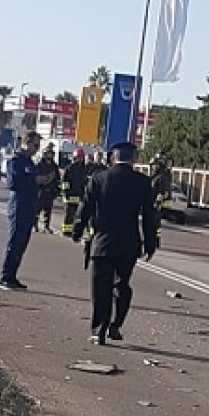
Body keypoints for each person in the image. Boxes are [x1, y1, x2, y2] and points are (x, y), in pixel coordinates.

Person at [71, 142, 158, 345]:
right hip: (129, 244)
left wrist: (77, 230)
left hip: (102, 243)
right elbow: (149, 216)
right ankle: (115, 325)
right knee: (122, 285)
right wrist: (150, 243)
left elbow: (85, 207)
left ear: (112, 158)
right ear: (133, 159)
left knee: (101, 287)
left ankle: (98, 330)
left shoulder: (99, 178)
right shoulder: (143, 183)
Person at [0, 132, 42, 291]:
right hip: (18, 206)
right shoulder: (16, 162)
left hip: (29, 206)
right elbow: (13, 183)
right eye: (35, 145)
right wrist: (33, 180)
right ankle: (4, 276)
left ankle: (12, 275)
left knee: (23, 242)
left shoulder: (30, 163)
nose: (37, 149)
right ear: (26, 143)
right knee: (15, 241)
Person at [60, 148, 90, 237]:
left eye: (81, 157)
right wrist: (65, 193)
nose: (80, 159)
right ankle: (66, 231)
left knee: (78, 214)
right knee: (69, 214)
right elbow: (64, 182)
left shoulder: (84, 169)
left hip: (80, 195)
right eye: (78, 157)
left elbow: (85, 181)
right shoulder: (70, 168)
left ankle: (73, 230)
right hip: (70, 195)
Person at [35, 147, 61, 233]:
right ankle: (35, 225)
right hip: (41, 190)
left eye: (51, 154)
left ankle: (46, 226)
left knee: (48, 210)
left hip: (50, 191)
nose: (49, 155)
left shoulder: (54, 166)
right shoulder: (40, 165)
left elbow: (57, 178)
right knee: (37, 209)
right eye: (48, 153)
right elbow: (36, 177)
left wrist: (57, 190)